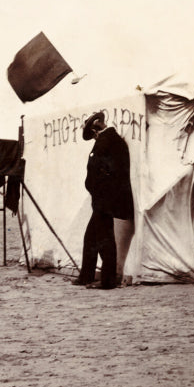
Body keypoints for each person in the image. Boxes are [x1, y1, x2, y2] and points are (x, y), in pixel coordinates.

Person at [73, 111, 134, 290]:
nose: (94, 136)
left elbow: (106, 172)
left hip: (105, 200)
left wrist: (96, 190)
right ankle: (86, 275)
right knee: (91, 238)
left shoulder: (108, 141)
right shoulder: (110, 140)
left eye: (93, 132)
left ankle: (107, 280)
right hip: (103, 199)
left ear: (98, 125)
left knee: (105, 239)